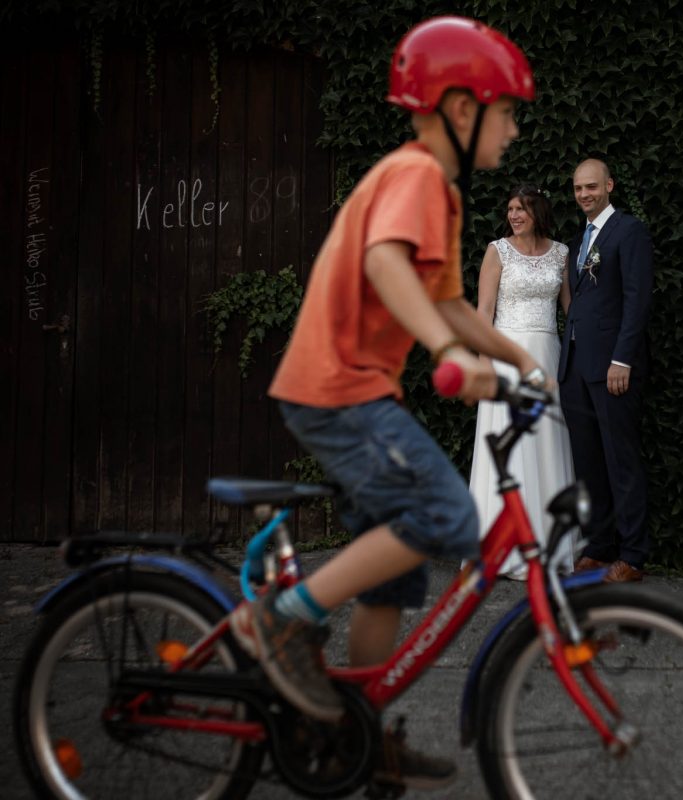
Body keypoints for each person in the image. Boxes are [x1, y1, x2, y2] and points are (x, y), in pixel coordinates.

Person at [228, 16, 545, 792]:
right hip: (337, 390)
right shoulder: (416, 176)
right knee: (444, 517)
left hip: (352, 391)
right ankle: (277, 619)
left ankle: (350, 733)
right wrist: (445, 355)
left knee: (392, 576)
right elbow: (386, 263)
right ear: (461, 110)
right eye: (506, 113)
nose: (512, 130)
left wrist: (515, 357)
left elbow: (450, 303)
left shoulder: (440, 193)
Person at [469, 185, 577, 579]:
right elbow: (484, 309)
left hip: (548, 357)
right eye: (511, 208)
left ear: (538, 211)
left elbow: (571, 310)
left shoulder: (562, 254)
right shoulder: (497, 251)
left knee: (546, 441)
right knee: (509, 446)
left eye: (522, 209)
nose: (514, 215)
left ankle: (550, 542)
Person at [558, 158, 653, 583]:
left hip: (612, 367)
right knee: (588, 463)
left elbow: (637, 300)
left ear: (610, 185)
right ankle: (599, 547)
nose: (584, 195)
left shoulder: (628, 231)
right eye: (579, 189)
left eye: (592, 187)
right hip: (576, 367)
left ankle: (632, 555)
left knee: (621, 462)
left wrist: (623, 359)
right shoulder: (579, 239)